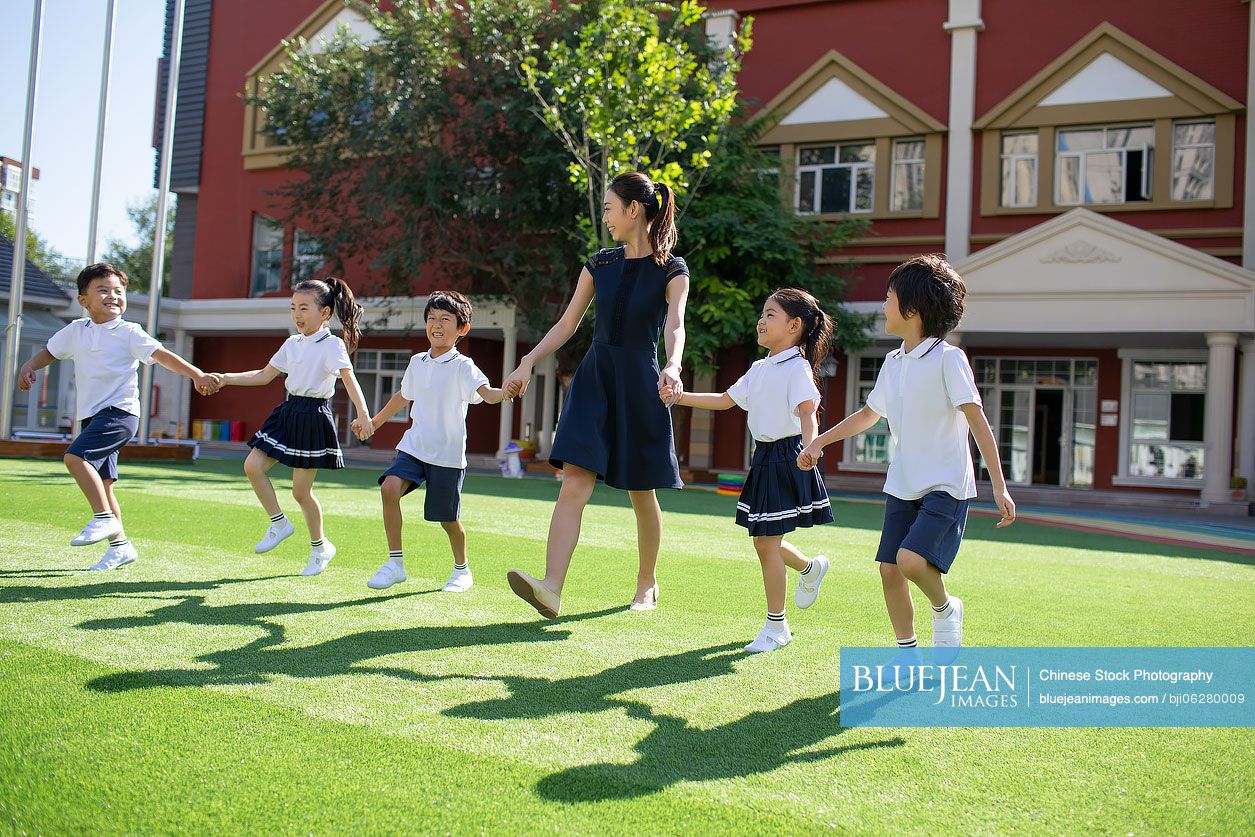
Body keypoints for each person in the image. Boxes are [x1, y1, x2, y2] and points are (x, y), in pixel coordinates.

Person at [797, 254, 1015, 652]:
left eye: (889, 297)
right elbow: (868, 415)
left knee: (912, 561)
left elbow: (977, 422)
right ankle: (907, 652)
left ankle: (946, 609)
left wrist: (999, 487)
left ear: (912, 310)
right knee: (889, 570)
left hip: (946, 484)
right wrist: (818, 442)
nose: (883, 304)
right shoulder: (893, 361)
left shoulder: (950, 359)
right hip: (904, 482)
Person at [503, 171, 689, 618]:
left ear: (633, 209)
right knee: (574, 481)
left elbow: (675, 325)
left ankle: (647, 583)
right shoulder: (599, 263)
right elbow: (568, 324)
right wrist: (528, 360)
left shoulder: (673, 269)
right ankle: (551, 587)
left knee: (642, 493)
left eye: (609, 208)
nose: (605, 217)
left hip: (641, 383)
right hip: (595, 379)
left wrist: (673, 366)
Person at [661, 289, 834, 652]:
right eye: (763, 312)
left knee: (765, 543)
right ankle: (809, 568)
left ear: (794, 325)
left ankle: (776, 627)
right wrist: (678, 396)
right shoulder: (760, 368)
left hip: (790, 456)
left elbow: (807, 412)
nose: (762, 319)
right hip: (765, 458)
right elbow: (725, 400)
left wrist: (811, 448)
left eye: (771, 314)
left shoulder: (797, 367)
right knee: (763, 539)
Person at [17, 262, 217, 570]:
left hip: (120, 414)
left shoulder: (129, 333)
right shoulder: (76, 330)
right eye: (103, 290)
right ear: (83, 300)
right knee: (105, 483)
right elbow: (50, 351)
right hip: (91, 416)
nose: (113, 296)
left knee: (75, 459)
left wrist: (196, 374)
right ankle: (120, 546)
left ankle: (102, 519)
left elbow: (163, 355)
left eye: (118, 291)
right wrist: (28, 366)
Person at [210, 277, 372, 576]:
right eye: (293, 307)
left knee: (301, 493)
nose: (297, 314)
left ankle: (320, 547)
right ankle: (279, 523)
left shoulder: (332, 344)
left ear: (324, 313)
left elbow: (349, 380)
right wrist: (226, 377)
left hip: (313, 416)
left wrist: (364, 415)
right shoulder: (292, 343)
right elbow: (263, 375)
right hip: (288, 411)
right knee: (252, 466)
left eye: (304, 308)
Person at [361, 290, 508, 593]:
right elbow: (404, 396)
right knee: (389, 488)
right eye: (431, 318)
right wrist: (375, 422)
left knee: (447, 520)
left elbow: (488, 394)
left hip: (447, 457)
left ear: (461, 329)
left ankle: (461, 570)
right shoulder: (416, 362)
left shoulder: (463, 366)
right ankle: (395, 564)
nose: (436, 324)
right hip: (414, 446)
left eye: (445, 319)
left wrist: (505, 392)